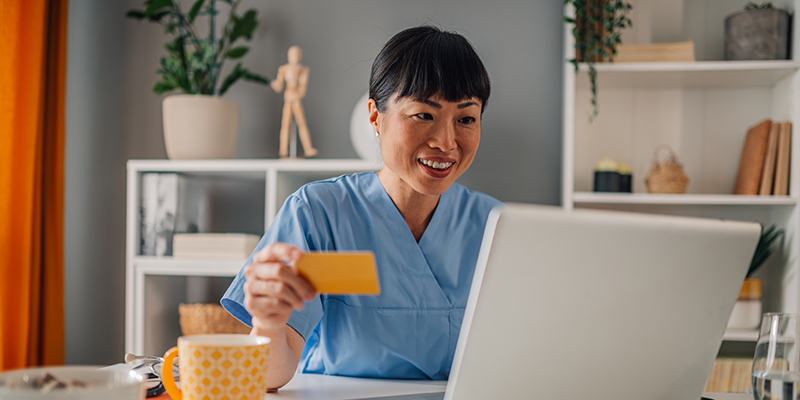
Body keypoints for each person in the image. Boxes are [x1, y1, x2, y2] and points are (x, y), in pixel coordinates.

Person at [221, 26, 500, 389]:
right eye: (423, 115)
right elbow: (269, 378)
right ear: (375, 117)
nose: (446, 142)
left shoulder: (494, 225)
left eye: (466, 119)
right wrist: (268, 323)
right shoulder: (318, 214)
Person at [271, 45, 317, 158]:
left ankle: (308, 148)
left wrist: (299, 92)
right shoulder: (283, 69)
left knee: (301, 123)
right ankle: (283, 149)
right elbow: (279, 85)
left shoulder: (303, 70)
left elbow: (303, 85)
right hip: (288, 97)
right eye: (292, 54)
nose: (295, 56)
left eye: (297, 54)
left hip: (295, 97)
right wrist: (274, 84)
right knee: (285, 124)